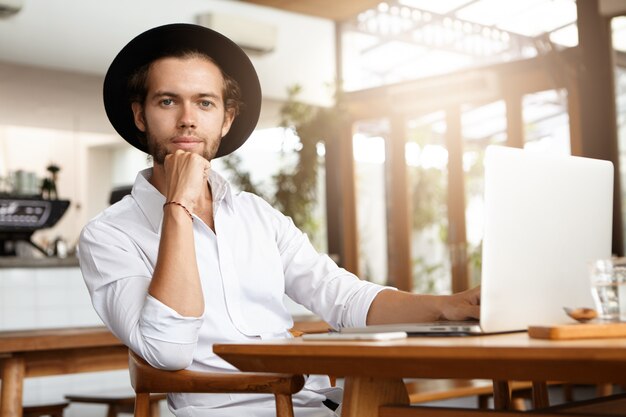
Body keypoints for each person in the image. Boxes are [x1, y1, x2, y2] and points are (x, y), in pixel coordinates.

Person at [78, 23, 480, 417]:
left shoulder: (257, 214)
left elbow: (343, 296)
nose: (187, 119)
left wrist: (447, 306)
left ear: (226, 119)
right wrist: (179, 205)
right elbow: (167, 349)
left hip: (317, 405)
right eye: (168, 101)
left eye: (204, 102)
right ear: (140, 116)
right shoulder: (108, 235)